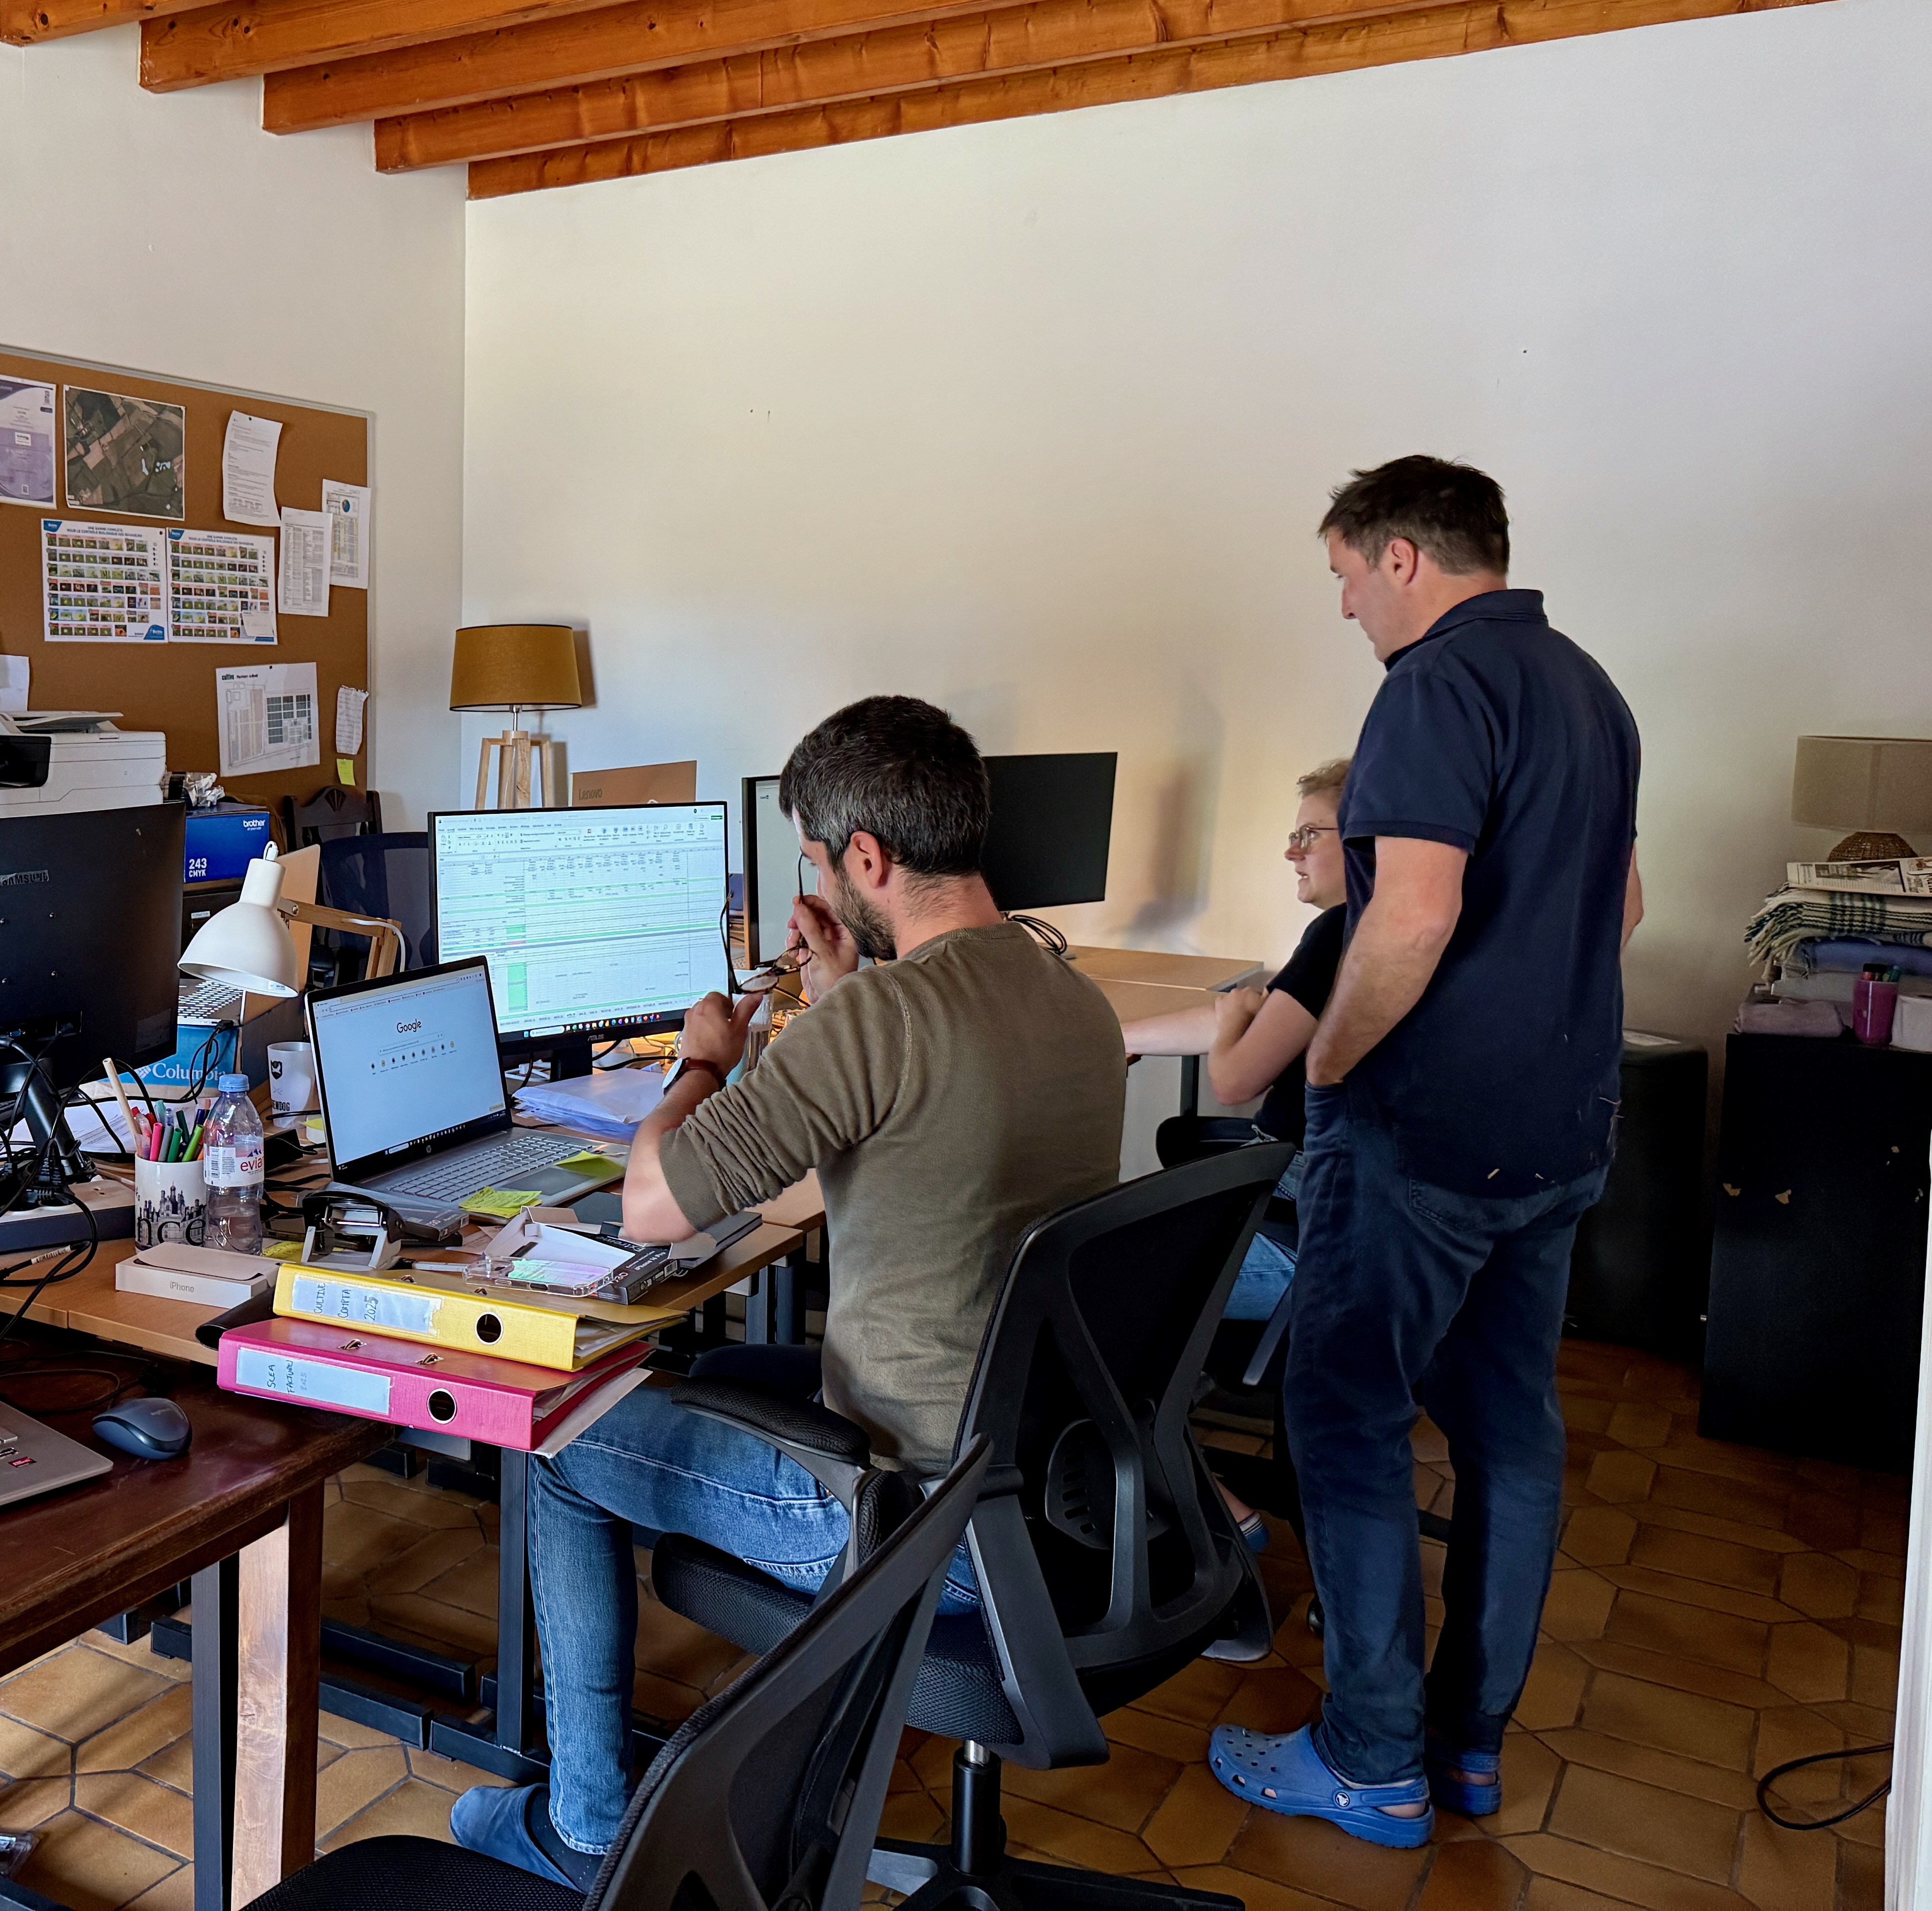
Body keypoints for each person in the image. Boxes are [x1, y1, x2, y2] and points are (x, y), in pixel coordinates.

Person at [449, 695, 1128, 1887]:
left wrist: (707, 1054)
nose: (811, 874)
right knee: (704, 1374)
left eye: (815, 855)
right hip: (1040, 1476)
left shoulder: (882, 1017)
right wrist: (842, 987)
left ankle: (586, 1826)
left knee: (560, 1437)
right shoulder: (1064, 989)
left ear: (866, 857)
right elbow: (914, 1116)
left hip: (908, 1512)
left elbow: (660, 1204)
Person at [1205, 458, 1641, 1849]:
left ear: (1404, 556)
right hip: (1561, 1129)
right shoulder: (1590, 689)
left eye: (1343, 574)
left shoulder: (1434, 688)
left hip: (1426, 1137)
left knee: (1345, 1415)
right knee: (1512, 1429)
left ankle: (1370, 1754)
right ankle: (1467, 1750)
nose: (1344, 606)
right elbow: (1619, 905)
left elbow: (1408, 916)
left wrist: (1332, 1059)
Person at [1121, 755, 1353, 1329]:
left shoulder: (1337, 936)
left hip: (1297, 1243)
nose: (1291, 852)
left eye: (1309, 834)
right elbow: (1248, 1019)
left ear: (1368, 840)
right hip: (1315, 1216)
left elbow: (1233, 1077)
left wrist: (1231, 1026)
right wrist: (1113, 1035)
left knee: (1068, 1270)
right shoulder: (1373, 937)